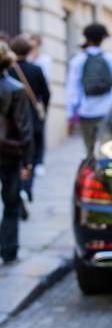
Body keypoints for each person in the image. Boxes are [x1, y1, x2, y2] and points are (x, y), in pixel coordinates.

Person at [66, 23, 112, 159]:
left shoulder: (78, 60)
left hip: (86, 111)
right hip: (107, 109)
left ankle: (92, 174)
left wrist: (70, 114)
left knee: (89, 148)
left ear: (86, 38)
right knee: (107, 148)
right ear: (102, 39)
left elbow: (72, 88)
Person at [0, 40, 33, 263]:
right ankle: (8, 249)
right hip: (8, 153)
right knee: (11, 202)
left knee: (12, 202)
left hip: (7, 152)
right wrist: (28, 162)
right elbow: (24, 130)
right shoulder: (16, 89)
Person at [9, 34, 50, 210]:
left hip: (11, 120)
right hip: (32, 117)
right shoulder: (36, 70)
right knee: (30, 154)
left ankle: (18, 188)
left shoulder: (8, 70)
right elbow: (46, 94)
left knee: (15, 154)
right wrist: (42, 110)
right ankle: (26, 187)